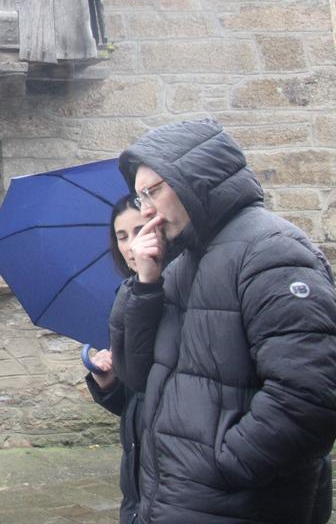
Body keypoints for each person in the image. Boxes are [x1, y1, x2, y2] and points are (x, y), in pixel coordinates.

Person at [110, 118, 336, 523]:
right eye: (139, 195)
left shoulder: (272, 252)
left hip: (234, 505)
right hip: (170, 504)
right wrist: (144, 283)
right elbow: (136, 375)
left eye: (152, 191)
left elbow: (310, 396)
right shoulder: (180, 265)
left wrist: (228, 466)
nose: (145, 210)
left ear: (194, 179)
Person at [85, 194, 144, 524]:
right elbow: (140, 399)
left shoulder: (186, 293)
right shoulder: (128, 295)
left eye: (140, 230)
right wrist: (109, 385)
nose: (130, 244)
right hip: (138, 481)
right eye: (122, 236)